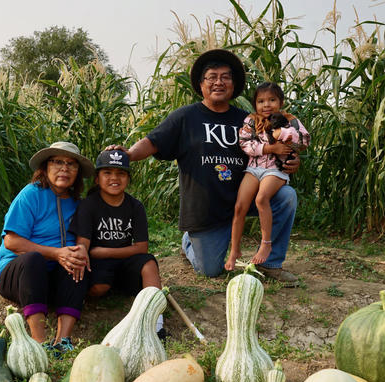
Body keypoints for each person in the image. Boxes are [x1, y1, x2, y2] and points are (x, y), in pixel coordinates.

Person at [108, 49, 301, 284]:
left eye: (225, 77)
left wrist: (291, 160)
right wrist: (128, 154)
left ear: (234, 84)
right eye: (211, 77)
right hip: (207, 209)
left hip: (244, 196)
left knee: (286, 196)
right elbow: (152, 141)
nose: (219, 82)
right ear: (201, 84)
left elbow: (278, 144)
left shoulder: (249, 119)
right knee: (210, 270)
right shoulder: (186, 117)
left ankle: (270, 263)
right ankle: (189, 242)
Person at [0, 141, 94, 353]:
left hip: (53, 278)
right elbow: (11, 241)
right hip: (20, 274)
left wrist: (76, 253)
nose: (64, 169)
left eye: (71, 164)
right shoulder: (31, 194)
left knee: (77, 259)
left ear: (77, 172)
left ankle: (62, 341)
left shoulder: (78, 204)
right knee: (34, 259)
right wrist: (57, 253)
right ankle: (39, 343)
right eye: (57, 162)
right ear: (45, 167)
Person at [69, 149, 166, 335]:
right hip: (98, 264)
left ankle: (158, 326)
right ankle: (97, 294)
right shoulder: (88, 205)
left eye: (121, 173)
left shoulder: (135, 206)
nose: (115, 178)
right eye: (107, 173)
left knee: (149, 263)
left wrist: (104, 251)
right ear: (97, 178)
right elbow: (83, 245)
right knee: (99, 288)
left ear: (128, 178)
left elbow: (141, 247)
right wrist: (88, 254)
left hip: (124, 260)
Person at [225, 82, 310, 269]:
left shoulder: (290, 120)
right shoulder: (251, 121)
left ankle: (266, 244)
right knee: (240, 206)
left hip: (275, 170)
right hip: (254, 168)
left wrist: (282, 133)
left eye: (272, 100)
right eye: (261, 101)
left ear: (281, 101)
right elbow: (245, 143)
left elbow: (304, 139)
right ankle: (234, 251)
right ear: (255, 104)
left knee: (261, 198)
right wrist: (269, 147)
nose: (266, 105)